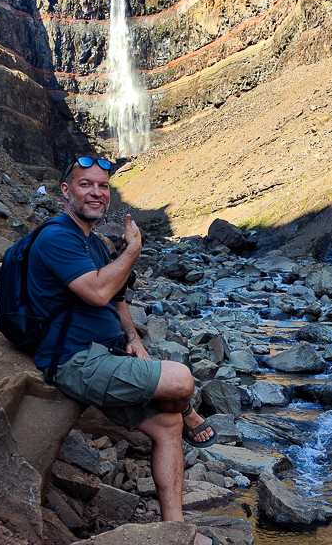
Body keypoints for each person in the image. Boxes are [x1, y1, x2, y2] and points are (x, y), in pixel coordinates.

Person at [27, 156, 217, 545]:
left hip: (107, 354)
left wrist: (133, 338)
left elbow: (117, 298)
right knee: (181, 379)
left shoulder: (93, 242)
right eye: (85, 185)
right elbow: (97, 290)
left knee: (167, 426)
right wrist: (132, 251)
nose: (96, 192)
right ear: (66, 191)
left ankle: (174, 532)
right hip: (74, 361)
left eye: (102, 186)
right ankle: (192, 411)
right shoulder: (56, 236)